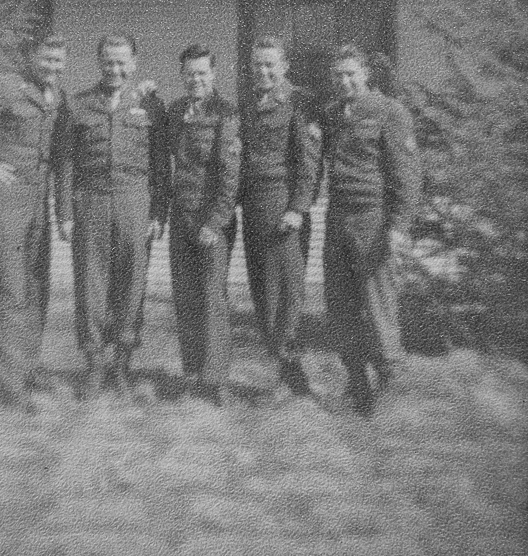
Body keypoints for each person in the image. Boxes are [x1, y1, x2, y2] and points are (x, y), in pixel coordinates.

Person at [0, 34, 72, 413]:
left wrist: (62, 210)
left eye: (58, 61)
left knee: (36, 288)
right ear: (31, 57)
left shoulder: (55, 96)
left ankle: (27, 366)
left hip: (37, 204)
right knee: (11, 290)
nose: (53, 67)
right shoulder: (7, 87)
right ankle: (9, 386)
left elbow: (60, 154)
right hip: (6, 202)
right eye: (46, 60)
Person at [321, 43, 420, 416]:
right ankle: (356, 382)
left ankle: (390, 383)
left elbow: (407, 175)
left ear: (366, 74)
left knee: (378, 304)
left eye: (351, 73)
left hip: (373, 219)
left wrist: (399, 227)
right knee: (340, 303)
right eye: (338, 75)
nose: (344, 81)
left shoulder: (390, 112)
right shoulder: (332, 114)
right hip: (337, 219)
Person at [68, 36, 169, 398]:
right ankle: (95, 363)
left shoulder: (150, 106)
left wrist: (158, 213)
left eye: (122, 62)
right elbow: (66, 163)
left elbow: (160, 165)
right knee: (91, 284)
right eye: (109, 62)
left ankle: (123, 362)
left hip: (134, 201)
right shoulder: (79, 104)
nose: (115, 69)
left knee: (132, 284)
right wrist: (65, 211)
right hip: (91, 200)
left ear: (134, 63)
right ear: (99, 62)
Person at [238, 37, 320, 397]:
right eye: (257, 64)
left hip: (282, 206)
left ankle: (293, 376)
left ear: (284, 66)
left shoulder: (299, 103)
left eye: (270, 64)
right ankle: (284, 371)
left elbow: (308, 162)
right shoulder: (250, 104)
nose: (263, 71)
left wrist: (297, 208)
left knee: (286, 292)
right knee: (263, 293)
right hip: (254, 207)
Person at [167, 43, 241, 406]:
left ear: (214, 74)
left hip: (212, 219)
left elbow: (230, 175)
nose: (196, 79)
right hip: (181, 216)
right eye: (189, 73)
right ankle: (192, 373)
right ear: (182, 75)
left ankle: (217, 379)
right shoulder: (175, 111)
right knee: (185, 297)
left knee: (213, 297)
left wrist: (215, 221)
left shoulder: (226, 113)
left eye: (202, 73)